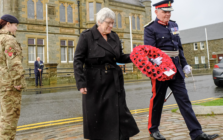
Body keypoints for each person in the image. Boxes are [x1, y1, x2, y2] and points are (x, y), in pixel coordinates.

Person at [144, 1, 219, 140]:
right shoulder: (150, 28)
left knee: (184, 101)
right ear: (156, 12)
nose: (167, 14)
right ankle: (153, 129)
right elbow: (149, 50)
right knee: (157, 100)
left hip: (176, 69)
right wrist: (156, 60)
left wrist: (184, 64)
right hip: (160, 71)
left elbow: (178, 47)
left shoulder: (174, 25)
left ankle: (196, 133)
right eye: (164, 11)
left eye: (169, 11)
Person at [74, 7, 139, 140]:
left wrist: (136, 56)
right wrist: (81, 82)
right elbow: (78, 60)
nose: (111, 25)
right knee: (98, 115)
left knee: (119, 111)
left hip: (114, 81)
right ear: (99, 21)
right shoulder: (86, 36)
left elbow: (120, 57)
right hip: (94, 81)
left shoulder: (114, 36)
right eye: (108, 22)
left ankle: (121, 137)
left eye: (112, 22)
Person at [0, 14, 26, 140]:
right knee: (11, 115)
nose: (16, 28)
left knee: (4, 115)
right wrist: (18, 81)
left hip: (1, 81)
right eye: (15, 25)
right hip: (9, 82)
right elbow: (13, 62)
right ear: (8, 24)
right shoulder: (9, 39)